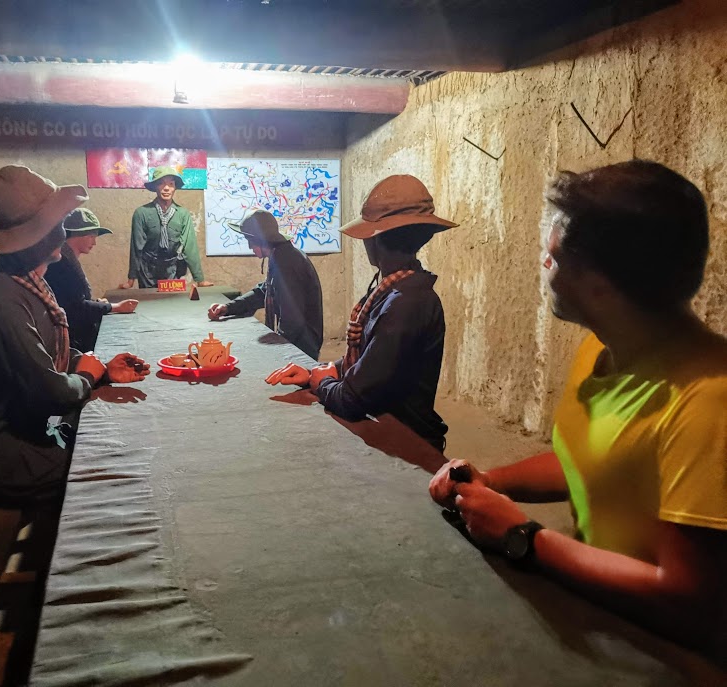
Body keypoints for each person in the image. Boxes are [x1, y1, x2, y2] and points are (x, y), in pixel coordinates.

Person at [428, 160, 726, 657]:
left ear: (600, 286)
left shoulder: (708, 402)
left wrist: (523, 536)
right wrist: (492, 482)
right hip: (605, 623)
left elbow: (690, 606)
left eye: (554, 256)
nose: (544, 265)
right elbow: (595, 461)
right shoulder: (601, 352)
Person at [0, 165, 150, 507]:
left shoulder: (28, 284)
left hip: (32, 436)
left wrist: (101, 369)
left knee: (119, 438)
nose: (63, 231)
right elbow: (52, 393)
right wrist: (87, 377)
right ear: (39, 235)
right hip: (10, 461)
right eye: (58, 223)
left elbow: (47, 354)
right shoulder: (3, 302)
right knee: (120, 464)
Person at [265, 175, 457, 451]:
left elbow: (353, 400)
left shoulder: (406, 304)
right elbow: (373, 363)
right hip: (392, 430)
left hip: (406, 444)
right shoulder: (397, 290)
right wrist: (319, 371)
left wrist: (323, 383)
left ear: (374, 241)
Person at [207, 210, 324, 360]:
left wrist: (277, 350)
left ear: (262, 240)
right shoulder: (282, 255)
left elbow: (292, 320)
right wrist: (228, 308)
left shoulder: (286, 262)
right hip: (299, 341)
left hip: (302, 347)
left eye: (251, 241)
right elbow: (264, 291)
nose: (250, 247)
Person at [45, 208, 138, 353]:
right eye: (91, 236)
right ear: (77, 235)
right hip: (73, 341)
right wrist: (115, 307)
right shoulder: (61, 265)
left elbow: (74, 299)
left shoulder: (67, 259)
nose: (94, 242)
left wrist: (97, 303)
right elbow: (75, 307)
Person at [118, 166, 213, 289]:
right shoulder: (142, 213)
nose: (166, 188)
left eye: (171, 184)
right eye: (161, 183)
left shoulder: (182, 214)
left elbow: (190, 247)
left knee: (173, 300)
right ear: (155, 187)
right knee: (149, 300)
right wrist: (131, 279)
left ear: (175, 188)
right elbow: (136, 248)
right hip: (148, 272)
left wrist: (199, 279)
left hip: (172, 271)